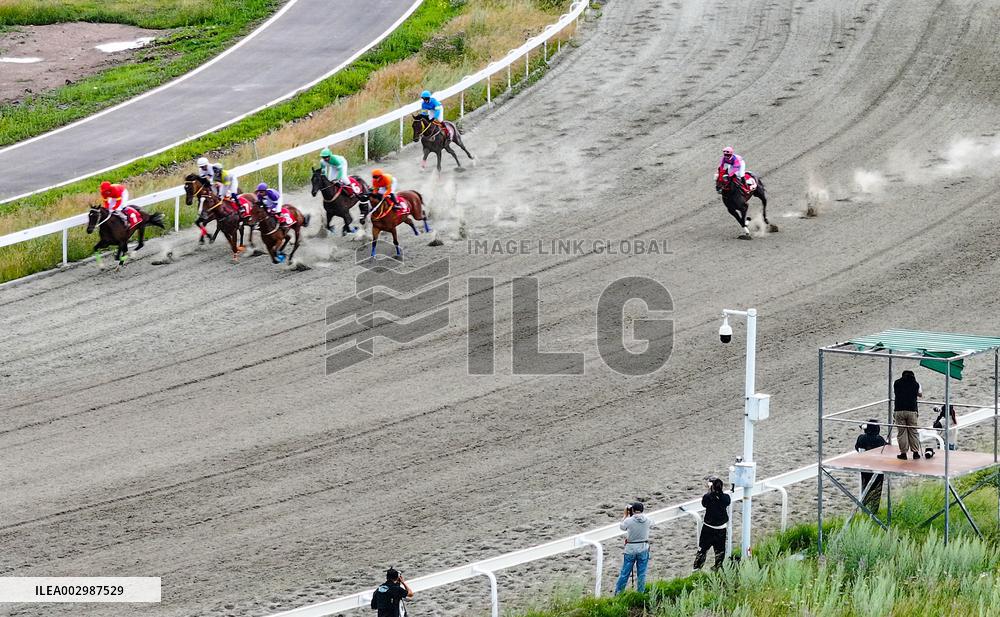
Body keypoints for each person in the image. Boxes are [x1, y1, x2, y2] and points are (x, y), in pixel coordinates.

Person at [693, 478, 731, 571]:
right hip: (721, 529)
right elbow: (725, 501)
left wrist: (710, 491)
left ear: (712, 487)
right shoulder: (726, 498)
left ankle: (697, 568)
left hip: (708, 528)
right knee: (720, 551)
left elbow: (704, 504)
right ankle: (717, 568)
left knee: (702, 550)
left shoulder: (708, 497)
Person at [614, 501, 651, 594]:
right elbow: (651, 522)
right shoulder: (648, 519)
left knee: (625, 573)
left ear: (633, 510)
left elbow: (622, 527)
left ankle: (618, 593)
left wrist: (625, 515)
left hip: (630, 548)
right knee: (642, 573)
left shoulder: (629, 521)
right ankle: (640, 592)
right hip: (643, 547)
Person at [855, 419, 887, 512]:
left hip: (865, 467)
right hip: (877, 468)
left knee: (865, 488)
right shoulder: (880, 439)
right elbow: (886, 450)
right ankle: (874, 510)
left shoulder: (861, 438)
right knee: (877, 489)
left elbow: (857, 447)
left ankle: (864, 507)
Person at [893, 370, 923, 460]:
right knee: (913, 431)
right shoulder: (916, 384)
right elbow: (920, 394)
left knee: (902, 432)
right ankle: (915, 452)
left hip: (899, 410)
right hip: (912, 410)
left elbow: (895, 392)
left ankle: (903, 453)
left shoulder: (897, 383)